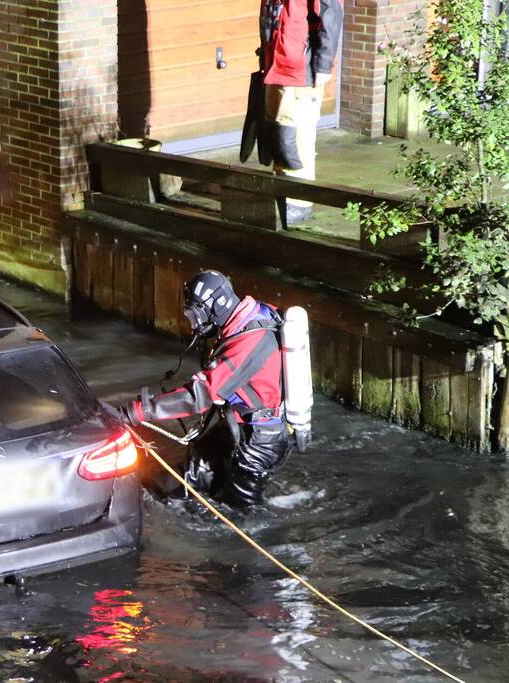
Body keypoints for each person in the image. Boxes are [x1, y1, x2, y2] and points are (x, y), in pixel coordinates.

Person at [118, 271, 291, 507]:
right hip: (237, 427)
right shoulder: (251, 316)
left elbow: (200, 395)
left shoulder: (250, 341)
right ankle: (162, 501)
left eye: (195, 315)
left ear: (213, 308)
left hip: (259, 442)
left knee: (242, 514)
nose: (194, 324)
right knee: (190, 479)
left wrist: (139, 411)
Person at [259, 0, 344, 224]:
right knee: (277, 135)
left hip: (299, 69)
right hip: (276, 64)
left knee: (295, 139)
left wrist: (324, 65)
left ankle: (297, 204)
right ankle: (282, 196)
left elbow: (331, 15)